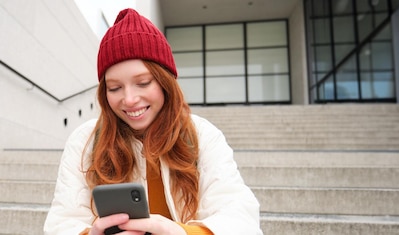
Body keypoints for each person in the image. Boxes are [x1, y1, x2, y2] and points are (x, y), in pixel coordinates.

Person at [43, 8, 262, 235]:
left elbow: (241, 220)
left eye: (144, 82)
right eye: (115, 88)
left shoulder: (203, 135)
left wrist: (180, 232)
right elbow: (62, 223)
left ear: (165, 82)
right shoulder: (84, 141)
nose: (129, 99)